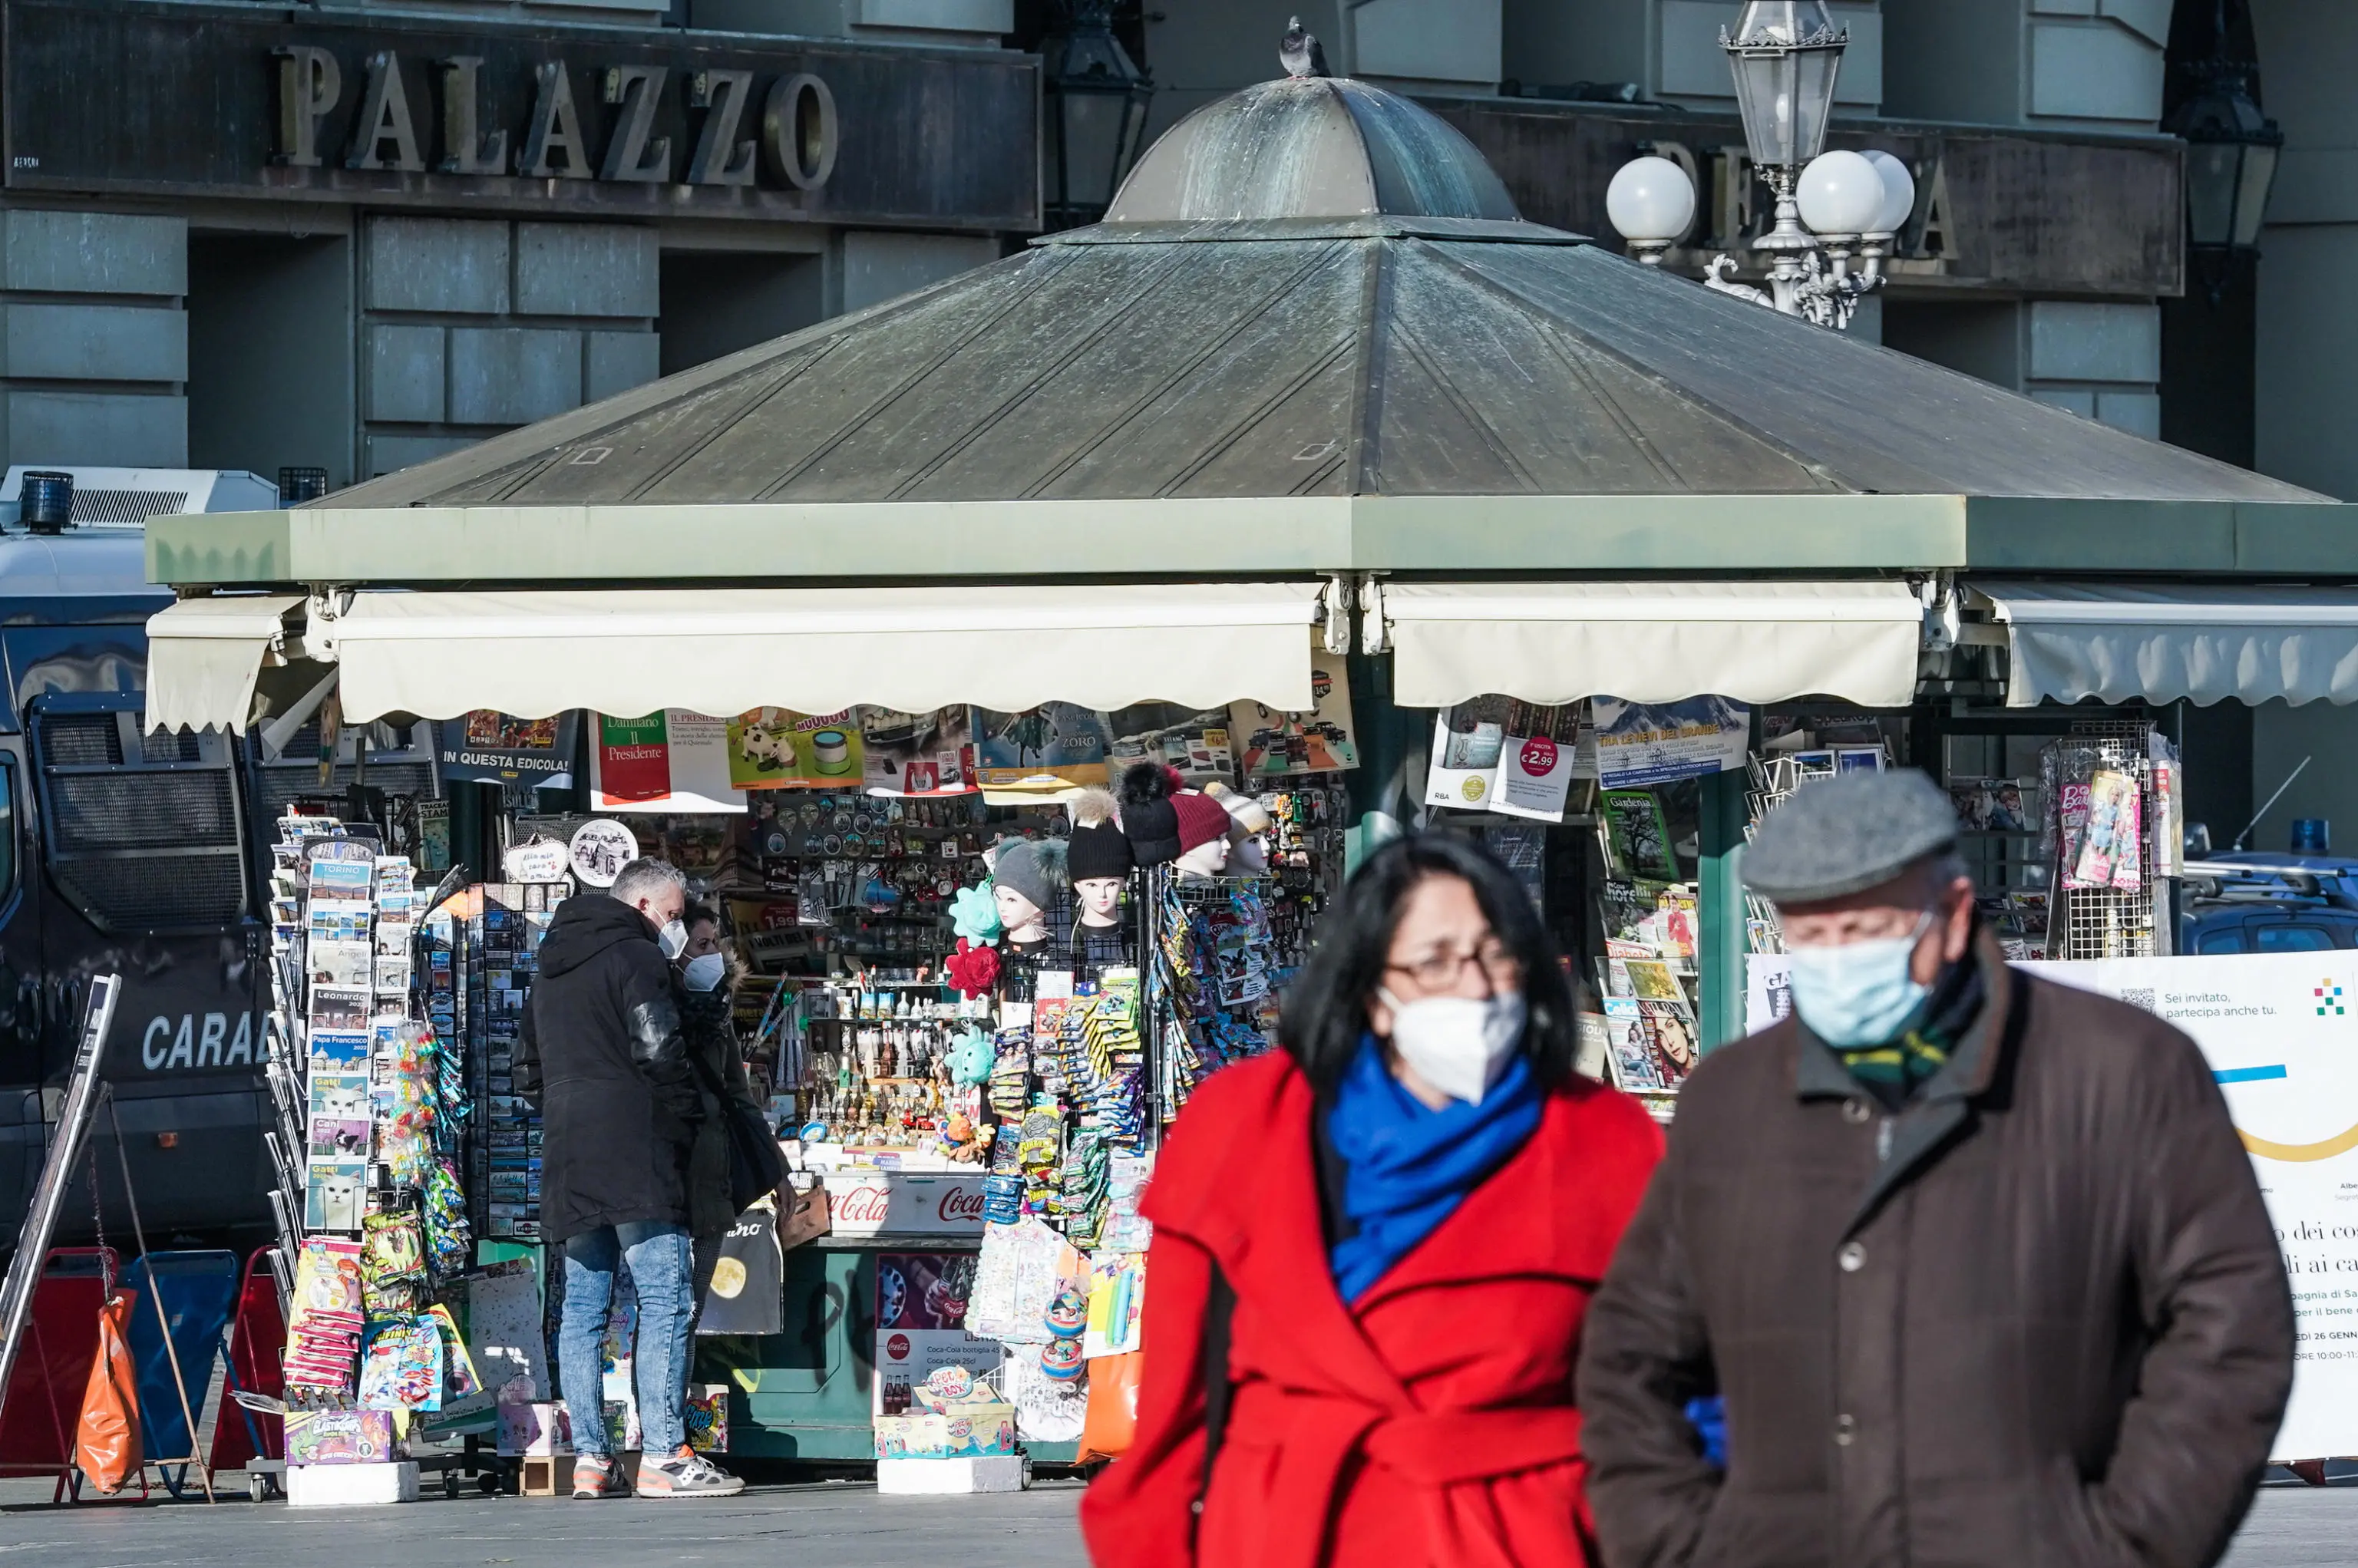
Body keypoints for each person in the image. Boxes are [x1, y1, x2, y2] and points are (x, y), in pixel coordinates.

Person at [1577, 770, 2295, 1568]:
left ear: (1952, 918)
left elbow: (2231, 1326)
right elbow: (1631, 1352)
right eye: (1810, 937)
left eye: (1865, 933)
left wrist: (2126, 1546)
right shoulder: (1733, 1101)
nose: (1836, 964)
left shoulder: (2121, 1072)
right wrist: (1677, 1546)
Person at [1081, 834, 1663, 1568]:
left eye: (1495, 954)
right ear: (1373, 994)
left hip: (1519, 1534)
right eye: (1435, 962)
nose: (1476, 985)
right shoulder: (1243, 1123)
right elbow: (1178, 1404)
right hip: (1288, 1530)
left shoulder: (1605, 1139)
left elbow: (1670, 1397)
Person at [517, 858, 743, 1500]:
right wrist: (686, 1113)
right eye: (673, 915)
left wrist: (570, 1110)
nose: (674, 926)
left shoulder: (552, 966)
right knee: (666, 1299)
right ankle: (665, 1453)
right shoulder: (637, 958)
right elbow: (659, 1050)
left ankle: (590, 1456)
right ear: (643, 905)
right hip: (638, 1150)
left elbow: (526, 1068)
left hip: (570, 1151)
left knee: (582, 1310)